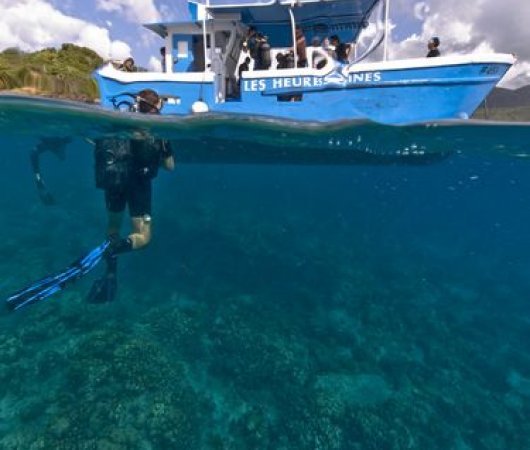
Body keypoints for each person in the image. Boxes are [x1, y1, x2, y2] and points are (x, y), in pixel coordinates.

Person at [87, 89, 175, 303]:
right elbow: (170, 166)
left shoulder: (118, 123)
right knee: (143, 238)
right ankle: (113, 250)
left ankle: (110, 271)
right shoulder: (158, 130)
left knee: (113, 226)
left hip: (114, 181)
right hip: (139, 185)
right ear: (158, 105)